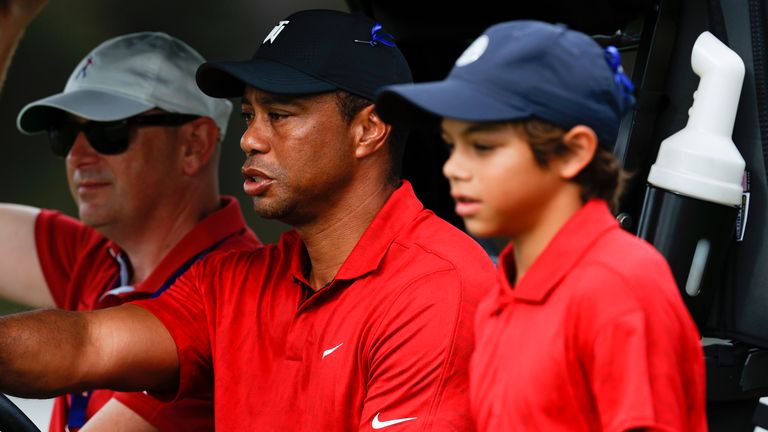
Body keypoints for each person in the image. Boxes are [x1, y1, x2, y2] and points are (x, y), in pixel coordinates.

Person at [0, 9, 495, 431]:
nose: (250, 139)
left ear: (368, 129)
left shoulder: (436, 287)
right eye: (248, 115)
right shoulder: (234, 280)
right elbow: (89, 345)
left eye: (278, 114)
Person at [375, 20, 707, 431]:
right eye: (451, 144)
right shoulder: (508, 287)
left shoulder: (619, 285)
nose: (454, 168)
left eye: (482, 146)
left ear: (572, 152)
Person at [0, 31, 261, 431]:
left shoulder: (233, 299)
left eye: (110, 131)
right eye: (65, 133)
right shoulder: (97, 255)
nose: (77, 155)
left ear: (194, 145)